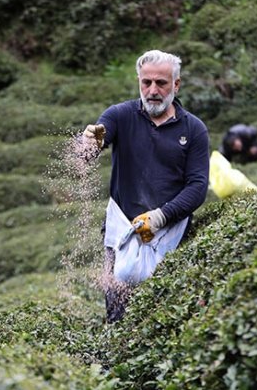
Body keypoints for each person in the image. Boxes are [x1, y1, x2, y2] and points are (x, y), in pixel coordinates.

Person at [83, 50, 210, 323]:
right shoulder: (120, 115)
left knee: (165, 314)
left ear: (176, 85)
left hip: (171, 230)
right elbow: (98, 139)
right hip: (122, 227)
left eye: (161, 83)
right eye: (146, 83)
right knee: (118, 313)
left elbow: (198, 186)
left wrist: (161, 216)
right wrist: (90, 145)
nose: (153, 90)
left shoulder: (194, 129)